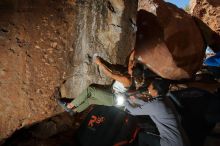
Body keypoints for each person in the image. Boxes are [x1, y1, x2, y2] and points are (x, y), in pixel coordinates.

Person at [66, 56, 145, 113]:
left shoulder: (127, 80)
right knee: (90, 100)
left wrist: (99, 63)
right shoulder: (129, 73)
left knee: (91, 90)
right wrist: (135, 49)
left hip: (112, 98)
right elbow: (130, 59)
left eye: (132, 66)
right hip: (111, 94)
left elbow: (110, 74)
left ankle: (70, 105)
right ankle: (75, 111)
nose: (131, 65)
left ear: (132, 71)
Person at [125, 78, 186, 146]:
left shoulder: (157, 105)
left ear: (156, 91)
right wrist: (133, 100)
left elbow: (133, 111)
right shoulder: (165, 99)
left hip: (170, 143)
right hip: (182, 140)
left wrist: (125, 101)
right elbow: (149, 104)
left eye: (150, 87)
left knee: (142, 136)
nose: (148, 88)